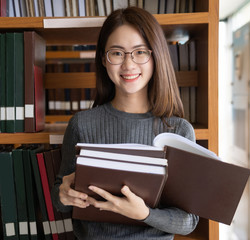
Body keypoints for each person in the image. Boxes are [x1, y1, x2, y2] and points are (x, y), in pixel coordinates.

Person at [51, 6, 199, 240]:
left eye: (140, 52)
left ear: (156, 56)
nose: (128, 65)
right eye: (117, 53)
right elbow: (60, 203)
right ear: (103, 59)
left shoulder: (178, 131)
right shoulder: (82, 124)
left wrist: (144, 214)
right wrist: (63, 195)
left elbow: (188, 221)